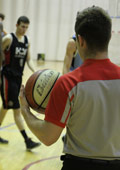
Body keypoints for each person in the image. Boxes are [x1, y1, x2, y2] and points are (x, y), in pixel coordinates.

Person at [19, 6, 120, 169]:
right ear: (109, 37)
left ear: (80, 40)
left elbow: (48, 137)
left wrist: (25, 110)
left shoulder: (67, 83)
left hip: (78, 164)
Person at [0, 16, 41, 150]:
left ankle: (27, 141)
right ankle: (27, 140)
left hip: (18, 79)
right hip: (7, 78)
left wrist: (36, 72)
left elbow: (28, 59)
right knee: (16, 109)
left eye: (26, 27)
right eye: (22, 26)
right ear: (17, 25)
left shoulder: (27, 41)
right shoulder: (8, 39)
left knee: (6, 107)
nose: (24, 29)